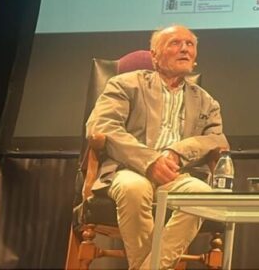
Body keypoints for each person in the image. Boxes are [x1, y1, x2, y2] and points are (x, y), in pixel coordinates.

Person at [86, 24, 228, 270]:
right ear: (154, 56)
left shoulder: (206, 101)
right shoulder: (124, 84)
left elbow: (217, 140)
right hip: (128, 169)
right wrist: (149, 161)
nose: (184, 49)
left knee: (202, 194)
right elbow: (102, 126)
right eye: (175, 43)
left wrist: (178, 152)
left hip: (177, 174)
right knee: (134, 188)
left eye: (190, 44)